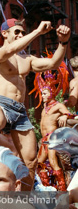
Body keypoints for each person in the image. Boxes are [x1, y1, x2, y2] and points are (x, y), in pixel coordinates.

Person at [0, 18, 71, 190]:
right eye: (17, 32)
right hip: (0, 103)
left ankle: (25, 201)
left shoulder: (27, 59)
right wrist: (37, 31)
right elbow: (10, 50)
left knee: (31, 161)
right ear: (4, 34)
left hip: (20, 111)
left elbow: (54, 63)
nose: (21, 35)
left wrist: (63, 42)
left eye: (22, 32)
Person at [29, 62, 71, 191]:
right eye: (42, 94)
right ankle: (47, 188)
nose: (43, 96)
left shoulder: (57, 105)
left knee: (53, 163)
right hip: (44, 140)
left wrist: (65, 116)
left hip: (52, 138)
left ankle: (63, 191)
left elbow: (69, 114)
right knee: (39, 164)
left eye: (46, 93)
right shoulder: (45, 108)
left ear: (52, 92)